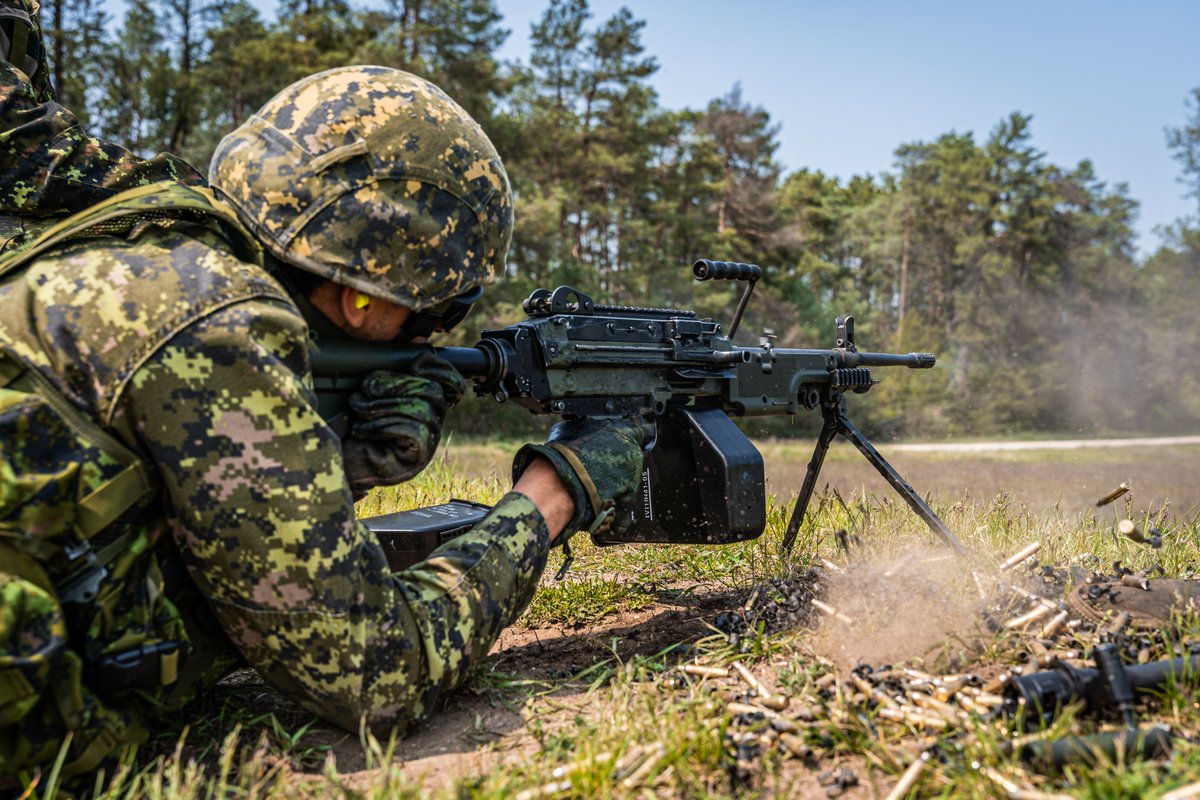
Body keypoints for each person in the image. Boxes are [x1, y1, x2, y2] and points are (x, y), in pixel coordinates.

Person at [0, 5, 644, 784]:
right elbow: (376, 673)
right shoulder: (220, 322)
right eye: (435, 309)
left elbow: (138, 503)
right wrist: (550, 497)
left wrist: (333, 461)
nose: (433, 332)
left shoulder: (130, 247)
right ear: (363, 298)